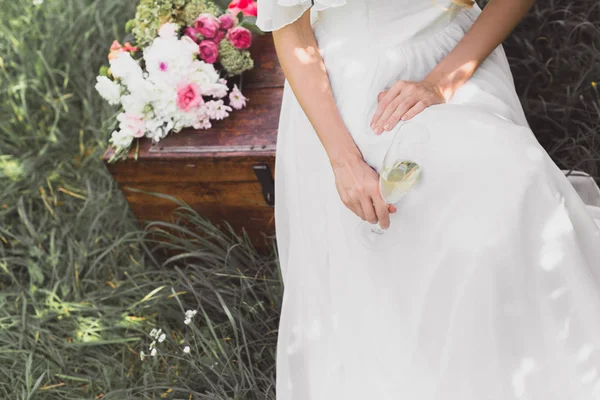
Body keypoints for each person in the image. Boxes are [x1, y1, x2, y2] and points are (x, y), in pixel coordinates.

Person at [256, 0, 600, 398]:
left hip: (457, 48)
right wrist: (344, 161)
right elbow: (292, 30)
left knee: (519, 179)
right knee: (423, 208)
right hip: (351, 79)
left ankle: (549, 362)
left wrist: (442, 81)